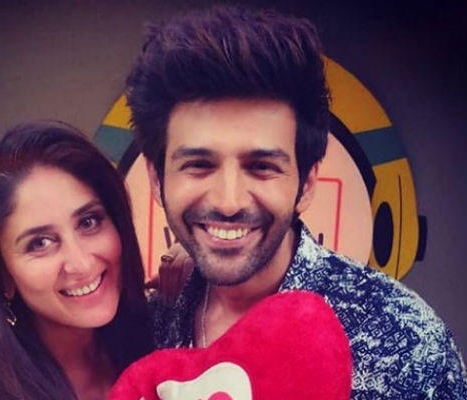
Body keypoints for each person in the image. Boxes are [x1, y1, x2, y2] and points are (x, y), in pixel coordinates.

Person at [125, 5, 467, 398]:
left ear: (306, 183)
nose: (229, 201)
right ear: (157, 179)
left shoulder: (403, 344)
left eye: (262, 167)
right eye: (199, 165)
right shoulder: (150, 326)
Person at [0, 121, 154, 399]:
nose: (81, 264)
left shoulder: (164, 335)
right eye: (40, 243)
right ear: (1, 275)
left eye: (89, 222)